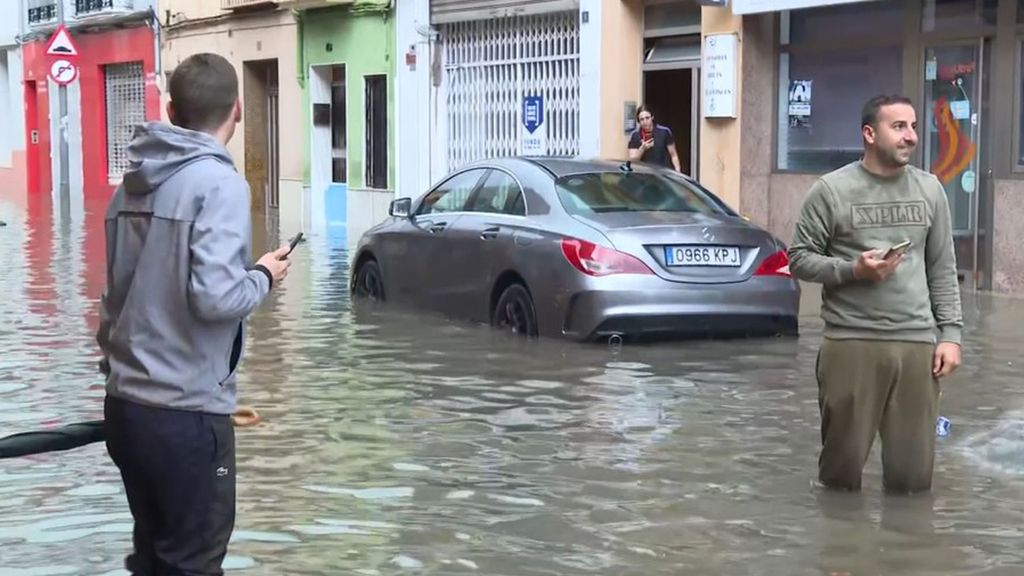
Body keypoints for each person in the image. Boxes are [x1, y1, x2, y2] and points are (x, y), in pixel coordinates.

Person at [96, 53, 292, 574]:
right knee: (193, 563)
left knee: (153, 558)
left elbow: (114, 299)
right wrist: (264, 275)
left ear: (171, 109)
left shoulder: (130, 184)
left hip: (126, 409)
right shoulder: (219, 184)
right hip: (185, 414)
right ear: (237, 110)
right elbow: (216, 299)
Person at [788, 94, 963, 494]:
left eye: (913, 126)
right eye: (898, 126)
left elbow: (942, 267)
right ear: (869, 134)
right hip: (851, 342)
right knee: (840, 475)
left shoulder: (930, 190)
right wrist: (854, 270)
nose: (911, 136)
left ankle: (905, 536)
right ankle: (840, 534)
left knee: (913, 481)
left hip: (917, 346)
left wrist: (951, 335)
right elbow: (798, 259)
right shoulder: (831, 190)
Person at [627, 105, 682, 172]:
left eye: (647, 118)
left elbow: (673, 155)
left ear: (652, 117)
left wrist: (678, 171)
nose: (645, 121)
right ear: (639, 121)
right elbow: (633, 161)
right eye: (642, 119)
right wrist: (642, 149)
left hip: (662, 172)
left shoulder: (664, 132)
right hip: (643, 173)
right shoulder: (635, 135)